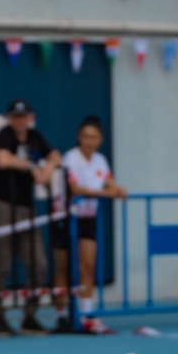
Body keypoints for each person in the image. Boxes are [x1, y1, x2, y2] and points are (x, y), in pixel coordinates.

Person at [0, 99, 61, 337]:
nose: (20, 120)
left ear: (31, 116)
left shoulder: (34, 135)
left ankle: (30, 315)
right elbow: (2, 159)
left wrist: (48, 169)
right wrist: (30, 167)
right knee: (2, 264)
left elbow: (56, 155)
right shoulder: (4, 135)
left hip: (26, 209)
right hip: (2, 206)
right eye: (15, 116)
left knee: (38, 263)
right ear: (9, 117)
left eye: (24, 116)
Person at [55, 116, 127, 334]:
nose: (89, 141)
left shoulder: (101, 161)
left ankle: (86, 313)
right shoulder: (70, 158)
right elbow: (75, 189)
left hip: (88, 218)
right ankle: (61, 316)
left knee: (87, 266)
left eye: (93, 137)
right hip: (64, 217)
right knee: (64, 268)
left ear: (100, 139)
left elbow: (113, 186)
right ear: (79, 137)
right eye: (85, 136)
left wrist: (118, 190)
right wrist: (106, 193)